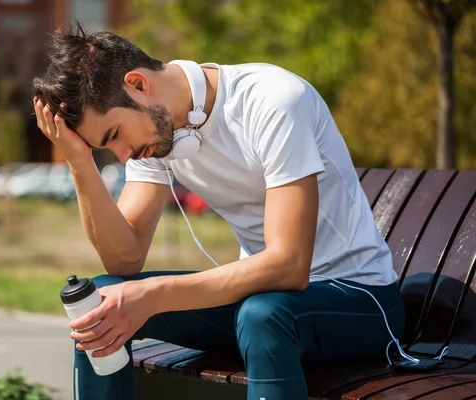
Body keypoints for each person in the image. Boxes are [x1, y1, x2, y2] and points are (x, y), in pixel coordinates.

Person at [32, 22, 405, 400]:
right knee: (102, 304)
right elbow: (124, 260)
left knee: (264, 315)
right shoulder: (155, 137)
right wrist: (80, 163)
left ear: (138, 85)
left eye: (113, 136)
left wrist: (154, 293)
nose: (123, 155)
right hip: (261, 302)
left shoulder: (273, 101)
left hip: (361, 300)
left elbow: (289, 265)